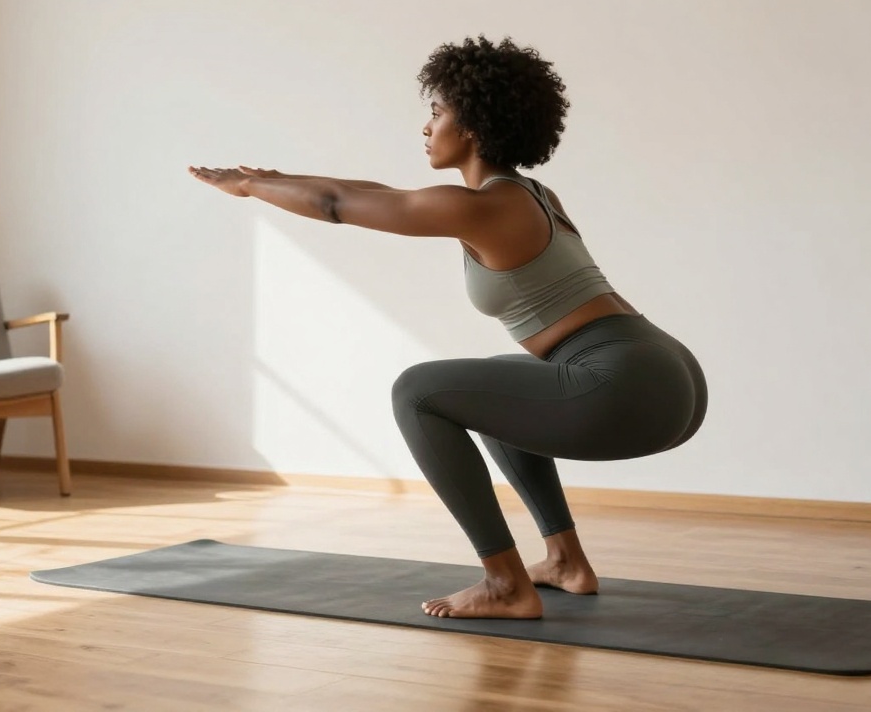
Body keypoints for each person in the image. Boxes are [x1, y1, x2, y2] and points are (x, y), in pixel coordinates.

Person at [188, 36, 706, 620]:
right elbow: (378, 194)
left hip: (627, 386)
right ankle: (565, 561)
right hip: (660, 370)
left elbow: (336, 204)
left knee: (418, 390)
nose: (427, 126)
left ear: (474, 126)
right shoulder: (525, 196)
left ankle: (505, 584)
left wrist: (250, 186)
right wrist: (278, 177)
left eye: (437, 111)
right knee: (487, 385)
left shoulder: (481, 207)